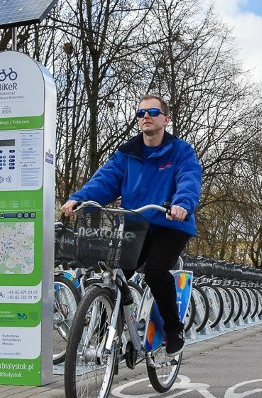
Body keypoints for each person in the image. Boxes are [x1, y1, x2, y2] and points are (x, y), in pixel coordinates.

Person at [60, 94, 202, 357]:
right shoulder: (127, 153)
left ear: (165, 119)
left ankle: (174, 329)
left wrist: (181, 204)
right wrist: (80, 198)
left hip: (170, 224)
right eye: (140, 113)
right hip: (137, 224)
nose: (145, 116)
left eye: (152, 112)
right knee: (115, 273)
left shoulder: (181, 151)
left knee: (156, 271)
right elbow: (105, 180)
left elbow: (189, 179)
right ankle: (104, 332)